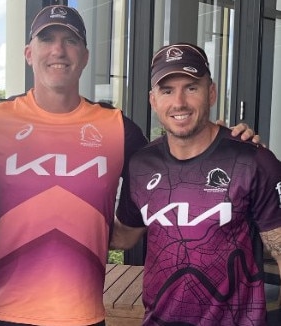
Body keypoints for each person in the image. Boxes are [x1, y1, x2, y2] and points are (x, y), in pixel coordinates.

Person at [0, 6, 258, 326]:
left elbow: (176, 159)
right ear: (29, 53)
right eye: (46, 39)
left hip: (83, 315)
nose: (58, 49)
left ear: (84, 56)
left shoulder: (119, 128)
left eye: (70, 41)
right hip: (0, 312)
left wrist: (225, 139)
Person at [111, 42, 281, 325]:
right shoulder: (141, 165)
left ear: (211, 93)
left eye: (191, 87)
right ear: (153, 100)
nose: (179, 102)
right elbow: (125, 236)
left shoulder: (252, 160)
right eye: (167, 90)